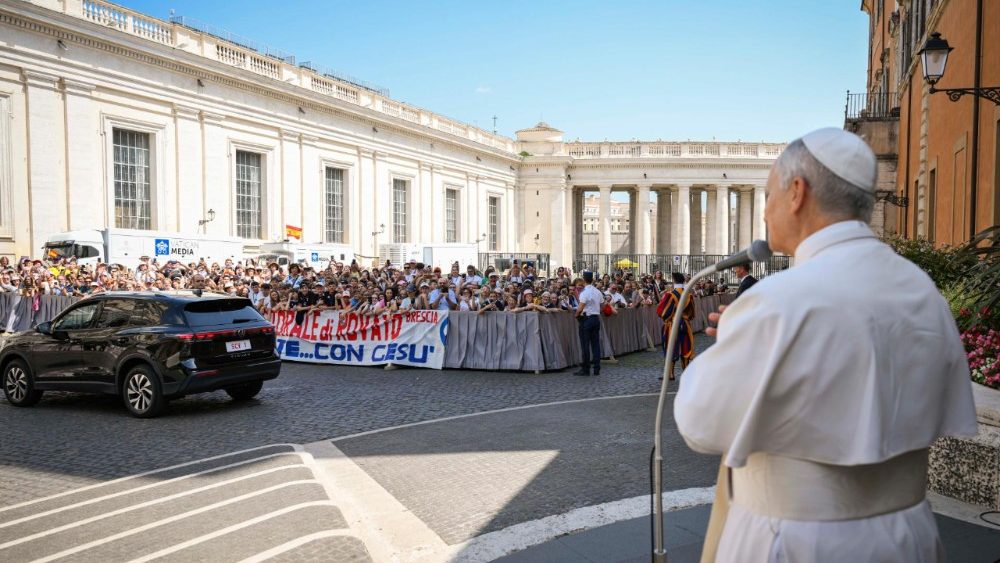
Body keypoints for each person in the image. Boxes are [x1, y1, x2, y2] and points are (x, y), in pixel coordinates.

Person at [674, 128, 978, 562]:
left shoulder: (775, 301)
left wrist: (737, 342)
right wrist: (749, 340)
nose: (765, 212)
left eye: (768, 196)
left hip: (795, 542)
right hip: (909, 535)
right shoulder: (923, 290)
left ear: (797, 192)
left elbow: (700, 425)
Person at [656, 271, 695, 381]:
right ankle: (686, 373)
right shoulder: (689, 295)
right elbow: (692, 313)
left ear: (674, 281)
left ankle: (670, 374)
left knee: (670, 347)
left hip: (672, 324)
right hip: (685, 324)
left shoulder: (670, 295)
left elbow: (661, 311)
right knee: (685, 346)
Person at [573, 270, 603, 377]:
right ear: (592, 279)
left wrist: (576, 315)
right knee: (596, 344)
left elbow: (580, 308)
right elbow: (602, 305)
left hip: (586, 319)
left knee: (585, 344)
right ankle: (596, 368)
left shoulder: (584, 292)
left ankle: (586, 368)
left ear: (583, 280)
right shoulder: (598, 292)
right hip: (595, 318)